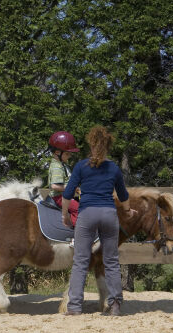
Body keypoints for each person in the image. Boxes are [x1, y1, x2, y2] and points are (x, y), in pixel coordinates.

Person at [61, 126, 137, 316]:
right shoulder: (113, 168)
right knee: (111, 260)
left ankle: (74, 306)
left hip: (87, 214)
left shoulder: (81, 167)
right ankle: (115, 304)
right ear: (108, 147)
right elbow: (123, 194)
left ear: (91, 145)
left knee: (80, 261)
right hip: (109, 215)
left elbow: (68, 194)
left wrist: (64, 215)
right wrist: (127, 211)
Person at [48, 131, 80, 226]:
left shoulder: (62, 165)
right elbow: (54, 186)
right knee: (79, 209)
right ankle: (78, 234)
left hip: (65, 195)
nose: (69, 156)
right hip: (59, 197)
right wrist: (73, 188)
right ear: (57, 152)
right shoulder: (57, 167)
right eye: (67, 154)